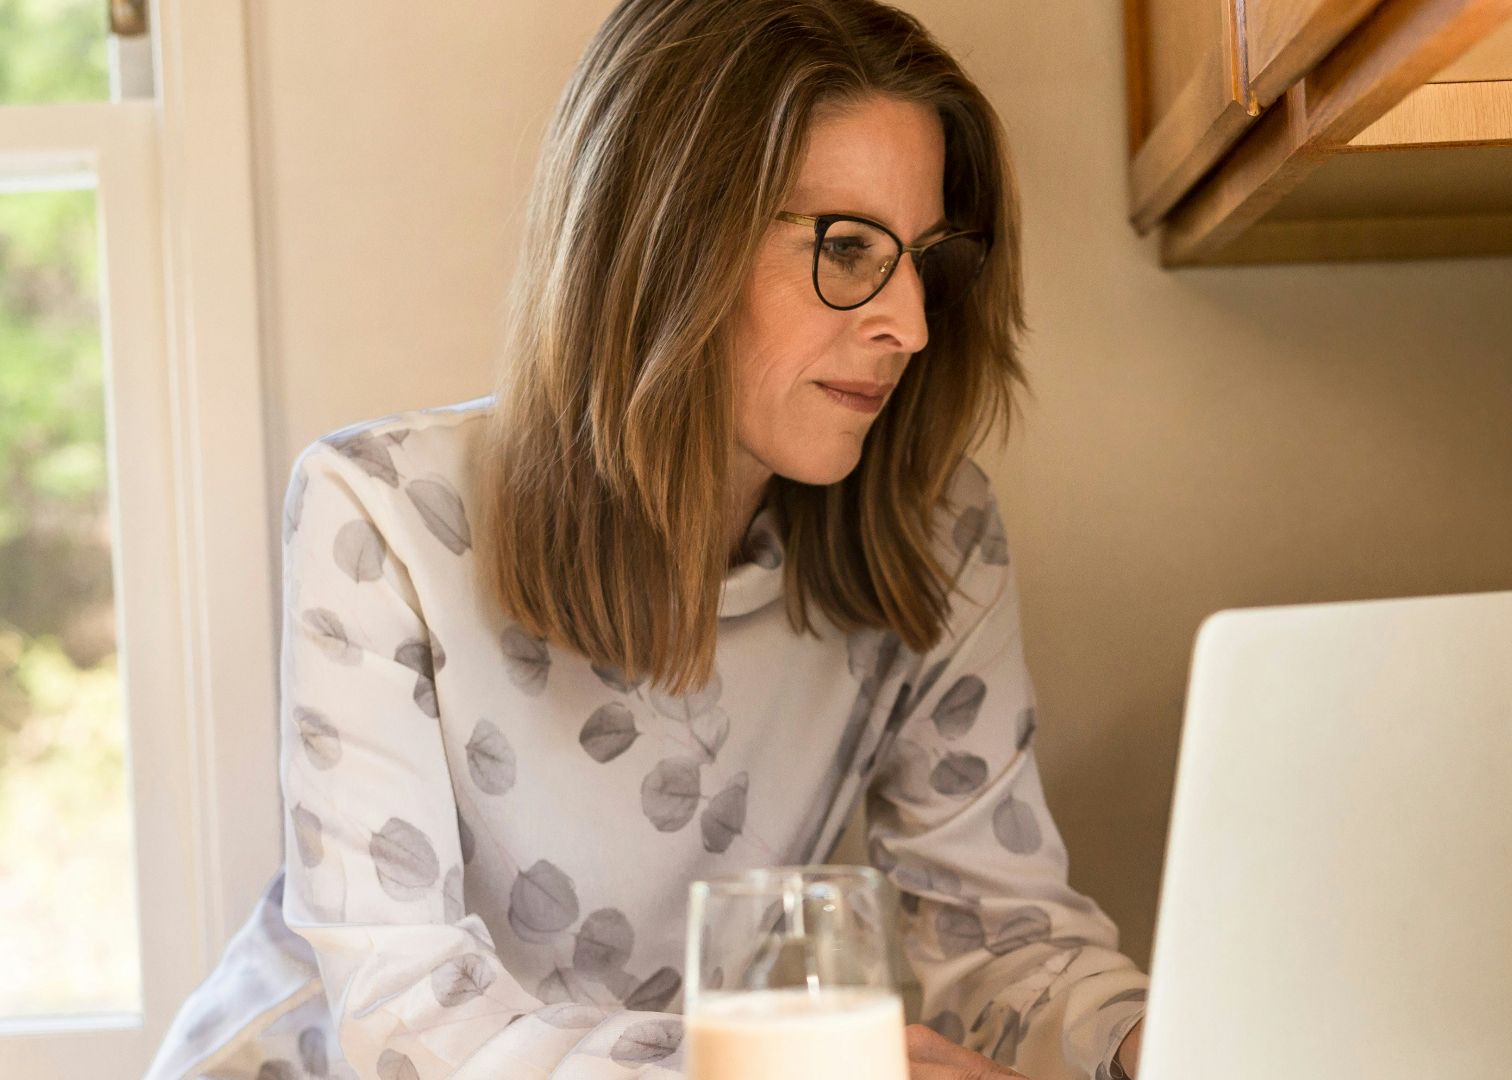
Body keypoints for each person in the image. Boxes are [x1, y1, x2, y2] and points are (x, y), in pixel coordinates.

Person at [142, 1, 1150, 1077]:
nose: (908, 321)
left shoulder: (934, 535)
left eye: (924, 259)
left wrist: (1174, 1045)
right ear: (667, 239)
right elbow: (409, 1026)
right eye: (847, 247)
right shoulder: (381, 513)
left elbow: (1005, 944)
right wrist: (807, 1066)